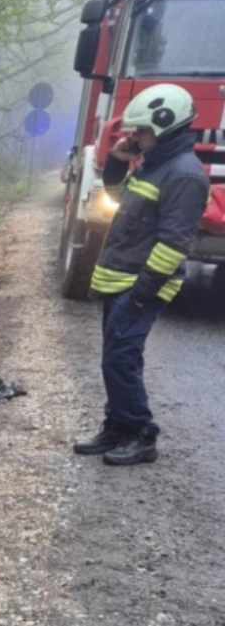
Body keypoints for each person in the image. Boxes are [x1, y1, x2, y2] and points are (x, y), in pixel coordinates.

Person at [73, 83, 209, 466]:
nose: (135, 137)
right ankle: (117, 426)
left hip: (138, 285)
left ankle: (140, 433)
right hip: (122, 279)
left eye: (141, 131)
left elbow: (175, 243)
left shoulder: (184, 175)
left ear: (165, 126)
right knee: (118, 358)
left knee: (120, 359)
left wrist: (141, 292)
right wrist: (118, 162)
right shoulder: (154, 164)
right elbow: (121, 199)